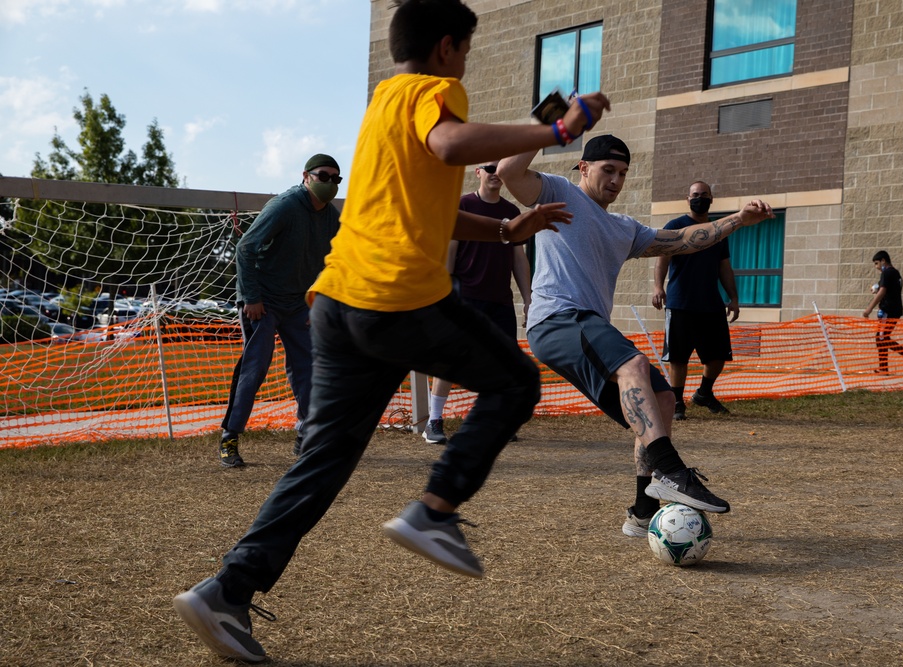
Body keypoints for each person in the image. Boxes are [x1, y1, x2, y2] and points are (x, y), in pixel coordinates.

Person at [173, 0, 611, 662]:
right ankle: (434, 510)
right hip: (394, 300)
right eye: (465, 50)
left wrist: (500, 229)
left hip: (338, 303)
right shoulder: (437, 92)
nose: (465, 63)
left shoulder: (384, 101)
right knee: (517, 381)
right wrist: (553, 130)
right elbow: (449, 143)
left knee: (323, 461)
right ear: (445, 48)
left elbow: (423, 203)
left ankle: (226, 590)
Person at [497, 134, 773, 539]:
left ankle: (643, 511)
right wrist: (552, 128)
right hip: (556, 319)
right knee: (634, 364)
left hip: (587, 325)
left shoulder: (621, 228)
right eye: (608, 170)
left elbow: (682, 241)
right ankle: (673, 471)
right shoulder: (559, 192)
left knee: (662, 400)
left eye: (623, 173)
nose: (616, 179)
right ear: (584, 168)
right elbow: (508, 171)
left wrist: (738, 220)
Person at [218, 154, 342, 467]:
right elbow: (245, 248)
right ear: (306, 176)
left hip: (298, 302)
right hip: (263, 301)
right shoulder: (285, 206)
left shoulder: (330, 216)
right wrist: (252, 296)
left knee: (308, 367)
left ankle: (307, 433)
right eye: (323, 176)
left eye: (336, 179)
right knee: (255, 366)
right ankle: (229, 438)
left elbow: (339, 257)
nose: (329, 183)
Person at [422, 161, 531, 444]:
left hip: (500, 301)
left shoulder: (511, 213)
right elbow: (449, 251)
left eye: (500, 167)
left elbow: (519, 259)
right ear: (478, 172)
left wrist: (529, 300)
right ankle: (434, 422)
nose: (495, 172)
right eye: (489, 167)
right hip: (465, 298)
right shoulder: (462, 206)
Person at [651, 181, 738, 420]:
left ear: (712, 198)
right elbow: (662, 259)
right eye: (695, 195)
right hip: (681, 303)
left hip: (711, 304)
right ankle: (677, 402)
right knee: (678, 357)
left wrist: (733, 298)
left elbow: (725, 267)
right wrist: (658, 287)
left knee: (718, 357)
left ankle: (704, 393)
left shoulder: (718, 230)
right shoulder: (676, 226)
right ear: (688, 199)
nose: (699, 198)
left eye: (704, 195)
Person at [863, 250, 903, 374]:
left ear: (883, 261)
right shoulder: (896, 273)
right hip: (895, 310)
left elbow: (882, 292)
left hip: (888, 310)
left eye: (877, 263)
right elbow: (890, 291)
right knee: (881, 338)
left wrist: (868, 309)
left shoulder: (887, 272)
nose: (876, 267)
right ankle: (884, 368)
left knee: (882, 338)